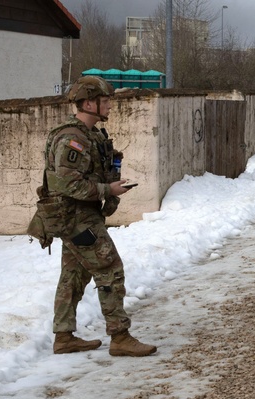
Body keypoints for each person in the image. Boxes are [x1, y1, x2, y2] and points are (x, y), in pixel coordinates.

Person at [32, 75, 156, 357]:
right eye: (105, 100)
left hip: (79, 215)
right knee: (110, 268)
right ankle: (120, 336)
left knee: (73, 275)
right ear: (88, 103)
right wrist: (106, 189)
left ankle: (64, 337)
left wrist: (111, 187)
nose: (110, 105)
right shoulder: (71, 139)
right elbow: (66, 184)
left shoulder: (92, 135)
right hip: (75, 217)